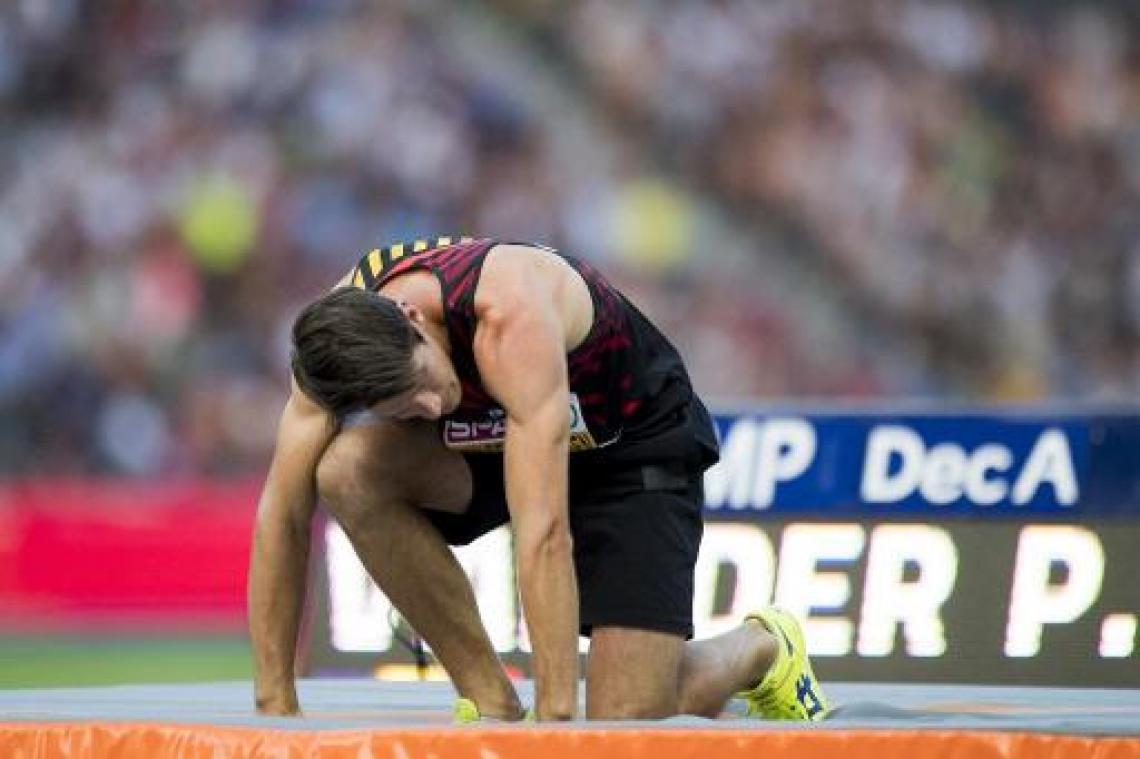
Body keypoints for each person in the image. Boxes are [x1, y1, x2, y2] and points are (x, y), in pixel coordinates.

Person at [247, 235, 829, 722]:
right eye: (399, 407)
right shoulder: (332, 348)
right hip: (495, 439)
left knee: (625, 719)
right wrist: (275, 708)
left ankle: (760, 648)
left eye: (420, 382)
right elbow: (282, 516)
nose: (428, 406)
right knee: (346, 471)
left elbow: (544, 532)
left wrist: (555, 726)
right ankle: (492, 703)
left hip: (630, 446)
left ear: (412, 318)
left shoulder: (507, 314)